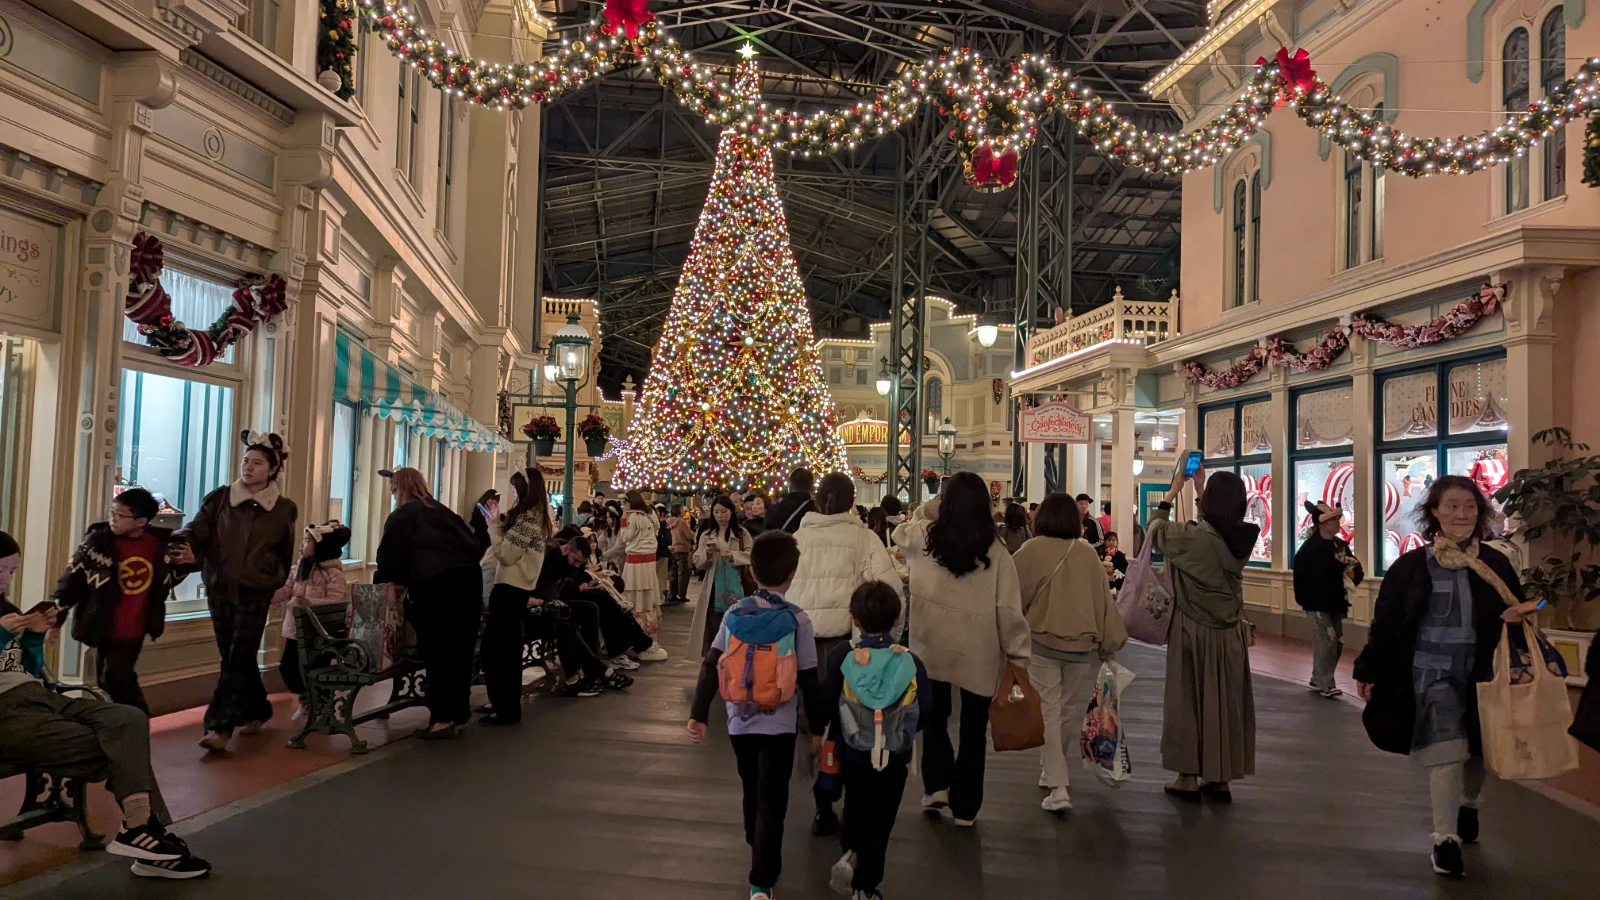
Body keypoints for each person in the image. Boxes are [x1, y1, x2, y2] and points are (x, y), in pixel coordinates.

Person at [1353, 476, 1540, 878]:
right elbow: (1387, 621)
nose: (1462, 514)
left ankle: (1468, 804)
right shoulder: (1410, 567)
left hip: (1483, 672)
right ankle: (1444, 840)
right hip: (1430, 673)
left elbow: (1521, 608)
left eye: (1470, 506)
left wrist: (1514, 620)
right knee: (1446, 751)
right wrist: (1369, 667)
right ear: (1434, 512)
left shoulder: (1496, 563)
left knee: (1477, 748)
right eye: (1452, 506)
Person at [0, 531, 212, 879]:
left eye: (12, 571)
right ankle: (149, 838)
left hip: (38, 696)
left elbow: (28, 669)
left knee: (127, 718)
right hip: (7, 713)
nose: (7, 580)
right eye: (0, 571)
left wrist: (34, 635)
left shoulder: (5, 609)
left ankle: (139, 831)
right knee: (121, 750)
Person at [687, 531, 825, 900]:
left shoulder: (735, 612)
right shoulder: (798, 620)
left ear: (755, 572)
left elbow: (711, 664)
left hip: (738, 720)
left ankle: (755, 840)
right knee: (773, 799)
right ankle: (762, 879)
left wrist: (698, 714)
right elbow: (809, 680)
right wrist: (818, 728)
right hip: (779, 724)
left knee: (751, 786)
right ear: (792, 574)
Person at [893, 472, 1030, 826]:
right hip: (978, 648)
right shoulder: (997, 552)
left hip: (930, 643)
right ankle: (966, 806)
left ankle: (936, 786)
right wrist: (1017, 652)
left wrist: (934, 504)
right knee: (973, 729)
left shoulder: (923, 536)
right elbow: (1008, 609)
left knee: (933, 717)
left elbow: (899, 530)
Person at [789, 472, 902, 836]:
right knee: (847, 722)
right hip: (847, 646)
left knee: (812, 724)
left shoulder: (797, 539)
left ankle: (821, 802)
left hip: (804, 646)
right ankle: (848, 794)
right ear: (853, 501)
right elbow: (890, 590)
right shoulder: (864, 538)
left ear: (817, 500)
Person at [171, 431, 298, 753]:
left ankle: (219, 725)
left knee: (238, 655)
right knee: (233, 655)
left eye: (257, 463)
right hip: (220, 588)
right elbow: (198, 532)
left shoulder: (283, 509)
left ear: (272, 469)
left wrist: (272, 579)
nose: (248, 467)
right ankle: (257, 708)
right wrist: (182, 546)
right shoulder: (220, 498)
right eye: (246, 461)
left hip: (256, 592)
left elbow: (285, 552)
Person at [1148, 464, 1257, 802]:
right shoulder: (1242, 538)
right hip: (1230, 634)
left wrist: (1171, 493)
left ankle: (1187, 776)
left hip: (1192, 629)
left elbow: (1155, 531)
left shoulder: (1190, 538)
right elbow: (1217, 528)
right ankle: (1220, 776)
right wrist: (1200, 492)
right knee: (1224, 703)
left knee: (1188, 701)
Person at [1013, 493, 1127, 812]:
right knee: (1065, 711)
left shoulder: (1031, 550)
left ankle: (1058, 785)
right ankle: (1053, 772)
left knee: (1048, 711)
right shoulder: (1087, 554)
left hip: (1043, 641)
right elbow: (1103, 601)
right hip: (1083, 644)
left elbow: (1012, 593)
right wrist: (1108, 644)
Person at [822, 581, 931, 900]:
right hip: (895, 755)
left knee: (854, 804)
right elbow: (926, 708)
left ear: (854, 619)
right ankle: (866, 886)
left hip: (852, 752)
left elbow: (827, 701)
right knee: (882, 817)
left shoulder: (844, 654)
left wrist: (821, 732)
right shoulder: (911, 661)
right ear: (898, 619)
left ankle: (850, 851)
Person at [50, 488, 190, 712]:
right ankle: (124, 724)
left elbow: (169, 579)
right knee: (105, 681)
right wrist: (56, 618)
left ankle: (137, 719)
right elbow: (71, 582)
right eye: (112, 512)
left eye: (121, 515)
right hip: (101, 624)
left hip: (134, 627)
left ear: (141, 521)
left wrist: (187, 563)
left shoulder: (159, 545)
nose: (113, 519)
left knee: (115, 677)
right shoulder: (97, 543)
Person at [373, 467, 483, 740]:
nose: (393, 495)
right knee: (460, 652)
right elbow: (474, 543)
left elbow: (390, 562)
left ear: (400, 489)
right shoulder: (442, 511)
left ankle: (442, 720)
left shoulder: (403, 516)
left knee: (439, 652)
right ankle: (457, 712)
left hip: (437, 587)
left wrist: (382, 585)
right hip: (469, 583)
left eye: (394, 490)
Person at [481, 469, 553, 725]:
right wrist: (499, 525)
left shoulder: (528, 521)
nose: (511, 493)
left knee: (499, 651)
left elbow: (507, 555)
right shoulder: (533, 519)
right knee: (503, 649)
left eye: (514, 489)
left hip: (510, 590)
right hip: (516, 590)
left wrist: (493, 528)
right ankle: (503, 705)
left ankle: (505, 708)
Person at [532, 532, 637, 696]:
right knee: (567, 622)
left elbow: (558, 590)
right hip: (539, 607)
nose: (576, 566)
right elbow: (545, 589)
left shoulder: (565, 560)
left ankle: (594, 670)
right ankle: (601, 670)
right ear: (567, 549)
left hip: (552, 603)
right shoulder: (549, 555)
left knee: (591, 608)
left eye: (580, 563)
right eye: (575, 561)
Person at [275, 522, 351, 720]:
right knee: (288, 668)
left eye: (307, 541)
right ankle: (307, 699)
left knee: (318, 668)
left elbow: (335, 601)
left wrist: (308, 603)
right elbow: (287, 590)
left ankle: (322, 705)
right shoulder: (299, 568)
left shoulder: (333, 573)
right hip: (295, 630)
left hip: (320, 632)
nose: (302, 545)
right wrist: (269, 594)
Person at [1293, 502, 1364, 699]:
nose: (1336, 523)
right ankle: (1324, 681)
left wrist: (1352, 573)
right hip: (1317, 603)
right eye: (1332, 520)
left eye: (1336, 519)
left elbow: (1354, 567)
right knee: (1326, 641)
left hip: (1335, 602)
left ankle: (1320, 678)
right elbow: (1302, 577)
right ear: (1321, 523)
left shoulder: (1340, 546)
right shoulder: (1309, 550)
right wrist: (1305, 600)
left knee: (1337, 642)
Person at [689, 495, 753, 658]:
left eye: (723, 511)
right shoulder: (707, 534)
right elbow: (697, 561)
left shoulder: (741, 533)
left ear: (731, 512)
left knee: (736, 621)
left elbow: (753, 555)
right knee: (713, 625)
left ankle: (736, 655)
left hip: (737, 585)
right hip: (713, 587)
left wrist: (734, 556)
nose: (719, 516)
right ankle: (714, 659)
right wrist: (707, 554)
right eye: (716, 512)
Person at [618, 491, 664, 640]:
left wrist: (623, 521)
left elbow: (626, 537)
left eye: (625, 503)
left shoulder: (632, 516)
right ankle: (650, 631)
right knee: (648, 594)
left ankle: (636, 631)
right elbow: (656, 530)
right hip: (649, 560)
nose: (624, 506)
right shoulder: (650, 513)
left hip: (634, 561)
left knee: (633, 594)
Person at [765, 467, 816, 535]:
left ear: (790, 485)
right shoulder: (817, 510)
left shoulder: (774, 510)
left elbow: (766, 538)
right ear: (811, 486)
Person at [667, 504, 695, 604]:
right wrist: (693, 534)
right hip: (682, 549)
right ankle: (682, 595)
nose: (684, 511)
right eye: (682, 509)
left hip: (672, 549)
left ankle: (672, 593)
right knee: (683, 573)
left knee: (673, 573)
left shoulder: (668, 521)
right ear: (678, 511)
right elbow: (689, 535)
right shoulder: (682, 522)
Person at [468, 489, 501, 555]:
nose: (495, 504)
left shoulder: (488, 512)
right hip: (482, 541)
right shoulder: (480, 512)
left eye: (497, 502)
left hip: (485, 540)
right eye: (494, 501)